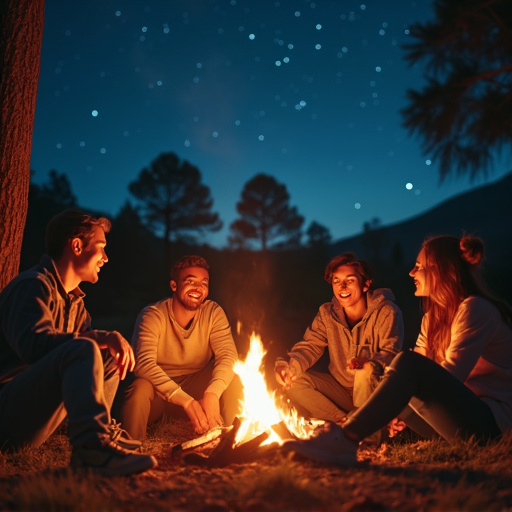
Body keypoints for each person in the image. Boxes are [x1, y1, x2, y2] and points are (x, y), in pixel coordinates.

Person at [283, 235, 512, 465]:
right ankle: (350, 430)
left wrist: (401, 396)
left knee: (407, 362)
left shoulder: (475, 309)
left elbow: (449, 376)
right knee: (396, 372)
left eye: (420, 266)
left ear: (442, 270)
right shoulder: (431, 318)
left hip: (491, 427)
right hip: (453, 425)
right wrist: (396, 406)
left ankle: (346, 439)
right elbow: (425, 377)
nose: (412, 272)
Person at [0, 210, 157, 475]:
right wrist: (96, 338)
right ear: (76, 245)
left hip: (32, 418)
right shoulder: (32, 286)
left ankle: (102, 432)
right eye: (101, 248)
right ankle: (91, 450)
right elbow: (32, 347)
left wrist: (100, 341)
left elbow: (85, 358)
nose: (105, 258)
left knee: (103, 352)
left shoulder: (77, 306)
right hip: (7, 412)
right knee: (88, 346)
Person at [274, 252, 404, 446]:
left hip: (374, 391)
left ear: (366, 284)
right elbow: (310, 345)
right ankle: (346, 423)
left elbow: (391, 354)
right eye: (337, 281)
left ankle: (366, 435)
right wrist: (290, 368)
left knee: (364, 371)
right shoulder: (327, 313)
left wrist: (369, 363)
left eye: (350, 280)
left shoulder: (386, 312)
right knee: (293, 380)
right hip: (341, 391)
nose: (342, 287)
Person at [120, 255, 243, 441]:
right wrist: (186, 402)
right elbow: (143, 364)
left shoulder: (213, 312)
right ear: (174, 286)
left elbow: (228, 356)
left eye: (204, 282)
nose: (198, 288)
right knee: (139, 389)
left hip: (197, 387)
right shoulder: (153, 315)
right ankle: (130, 450)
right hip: (159, 395)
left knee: (235, 376)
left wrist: (212, 393)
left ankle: (233, 437)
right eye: (190, 281)